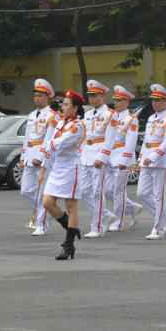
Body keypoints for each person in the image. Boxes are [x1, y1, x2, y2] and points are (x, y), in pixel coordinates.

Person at [41, 90, 87, 260]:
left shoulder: (79, 126)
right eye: (63, 104)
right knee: (47, 203)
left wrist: (48, 144)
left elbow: (58, 143)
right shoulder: (61, 123)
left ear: (75, 108)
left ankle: (68, 246)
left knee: (71, 207)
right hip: (57, 167)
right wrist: (44, 168)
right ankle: (70, 229)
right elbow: (52, 147)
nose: (63, 107)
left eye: (67, 104)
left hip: (70, 168)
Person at [136, 84, 166, 240]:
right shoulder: (152, 118)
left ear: (165, 100)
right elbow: (146, 141)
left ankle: (158, 229)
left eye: (158, 100)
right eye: (153, 100)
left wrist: (152, 158)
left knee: (159, 195)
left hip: (160, 162)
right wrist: (140, 160)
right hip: (147, 160)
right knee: (141, 193)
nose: (154, 103)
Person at [19, 79, 59, 236]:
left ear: (47, 97)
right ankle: (46, 213)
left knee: (42, 192)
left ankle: (41, 225)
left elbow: (49, 139)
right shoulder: (31, 115)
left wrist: (40, 156)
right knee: (26, 191)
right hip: (30, 157)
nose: (37, 98)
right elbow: (27, 138)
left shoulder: (52, 116)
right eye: (35, 95)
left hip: (43, 159)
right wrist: (24, 157)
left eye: (40, 96)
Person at [80, 80, 118, 238]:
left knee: (97, 192)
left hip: (98, 156)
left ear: (103, 96)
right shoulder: (88, 114)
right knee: (83, 191)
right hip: (86, 155)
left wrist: (102, 158)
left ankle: (98, 226)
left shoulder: (110, 114)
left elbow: (110, 140)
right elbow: (83, 137)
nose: (92, 98)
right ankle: (105, 215)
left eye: (95, 95)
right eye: (90, 95)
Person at [106, 85, 143, 231]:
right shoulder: (112, 117)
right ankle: (132, 207)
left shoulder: (131, 119)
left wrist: (125, 160)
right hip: (109, 157)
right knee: (108, 189)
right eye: (115, 100)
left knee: (118, 191)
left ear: (127, 102)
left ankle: (118, 221)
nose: (116, 103)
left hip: (121, 157)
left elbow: (130, 142)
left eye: (119, 100)